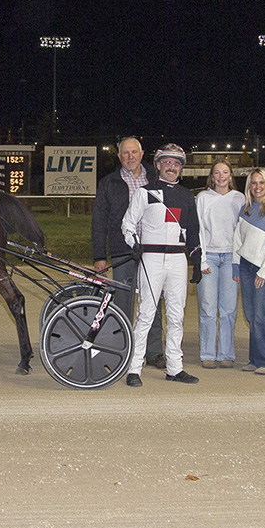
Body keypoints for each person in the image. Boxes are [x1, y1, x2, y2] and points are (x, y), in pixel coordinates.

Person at [122, 143, 201, 387]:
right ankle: (134, 369)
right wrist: (133, 243)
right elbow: (127, 224)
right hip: (152, 259)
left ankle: (175, 368)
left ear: (181, 168)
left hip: (178, 260)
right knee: (145, 314)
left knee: (177, 316)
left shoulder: (187, 197)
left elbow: (193, 233)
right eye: (167, 162)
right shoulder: (144, 193)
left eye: (176, 163)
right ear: (158, 165)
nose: (171, 167)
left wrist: (197, 262)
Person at [91, 137, 165, 369]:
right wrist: (99, 255)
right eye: (125, 153)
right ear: (119, 156)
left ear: (142, 154)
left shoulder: (156, 179)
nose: (130, 157)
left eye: (134, 152)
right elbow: (99, 220)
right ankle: (124, 349)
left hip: (153, 250)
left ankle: (154, 352)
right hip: (122, 251)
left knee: (152, 301)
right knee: (123, 304)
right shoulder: (109, 183)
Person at [233, 168, 265, 375]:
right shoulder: (245, 209)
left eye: (261, 183)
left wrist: (263, 271)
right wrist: (236, 266)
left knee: (262, 315)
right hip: (246, 267)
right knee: (251, 314)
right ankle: (255, 359)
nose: (257, 187)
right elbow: (237, 240)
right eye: (253, 183)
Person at [196, 158, 245, 369]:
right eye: (217, 172)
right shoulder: (203, 197)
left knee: (228, 308)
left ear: (231, 176)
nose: (221, 176)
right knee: (207, 307)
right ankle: (207, 353)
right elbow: (197, 228)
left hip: (231, 258)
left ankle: (226, 353)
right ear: (212, 176)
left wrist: (238, 260)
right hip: (210, 258)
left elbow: (243, 231)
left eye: (225, 172)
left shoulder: (240, 198)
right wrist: (201, 259)